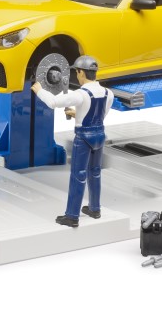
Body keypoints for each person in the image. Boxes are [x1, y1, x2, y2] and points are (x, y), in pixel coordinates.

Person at [31, 55, 114, 227]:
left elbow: (53, 102)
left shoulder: (80, 94)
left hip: (83, 139)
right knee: (95, 172)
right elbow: (99, 116)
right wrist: (77, 114)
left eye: (77, 72)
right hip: (99, 136)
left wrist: (39, 90)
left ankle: (72, 216)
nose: (77, 75)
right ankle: (95, 209)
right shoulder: (108, 93)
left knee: (78, 175)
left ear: (81, 72)